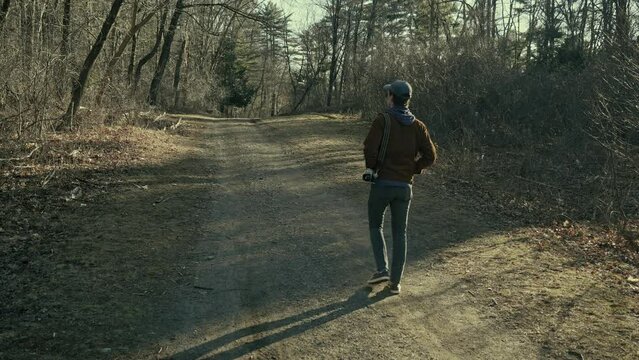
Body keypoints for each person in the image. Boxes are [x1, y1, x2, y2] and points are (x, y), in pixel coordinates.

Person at [363, 80, 437, 295]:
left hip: (382, 184)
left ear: (392, 97)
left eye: (388, 94)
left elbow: (369, 147)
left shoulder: (382, 120)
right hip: (404, 187)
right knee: (400, 233)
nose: (386, 97)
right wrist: (413, 168)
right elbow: (430, 156)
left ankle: (381, 269)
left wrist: (372, 168)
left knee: (375, 226)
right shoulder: (418, 126)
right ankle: (395, 284)